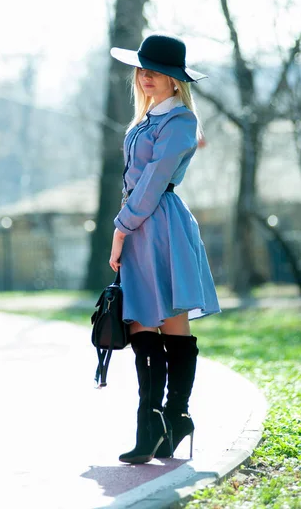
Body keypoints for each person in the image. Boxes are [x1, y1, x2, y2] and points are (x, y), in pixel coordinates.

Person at [108, 33, 221, 465]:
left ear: (177, 81)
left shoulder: (180, 123)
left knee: (172, 324)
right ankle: (151, 422)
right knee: (139, 323)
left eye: (156, 71)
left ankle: (175, 415)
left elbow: (155, 181)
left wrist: (120, 228)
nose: (146, 77)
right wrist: (125, 226)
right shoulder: (144, 122)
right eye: (142, 69)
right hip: (139, 223)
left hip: (161, 227)